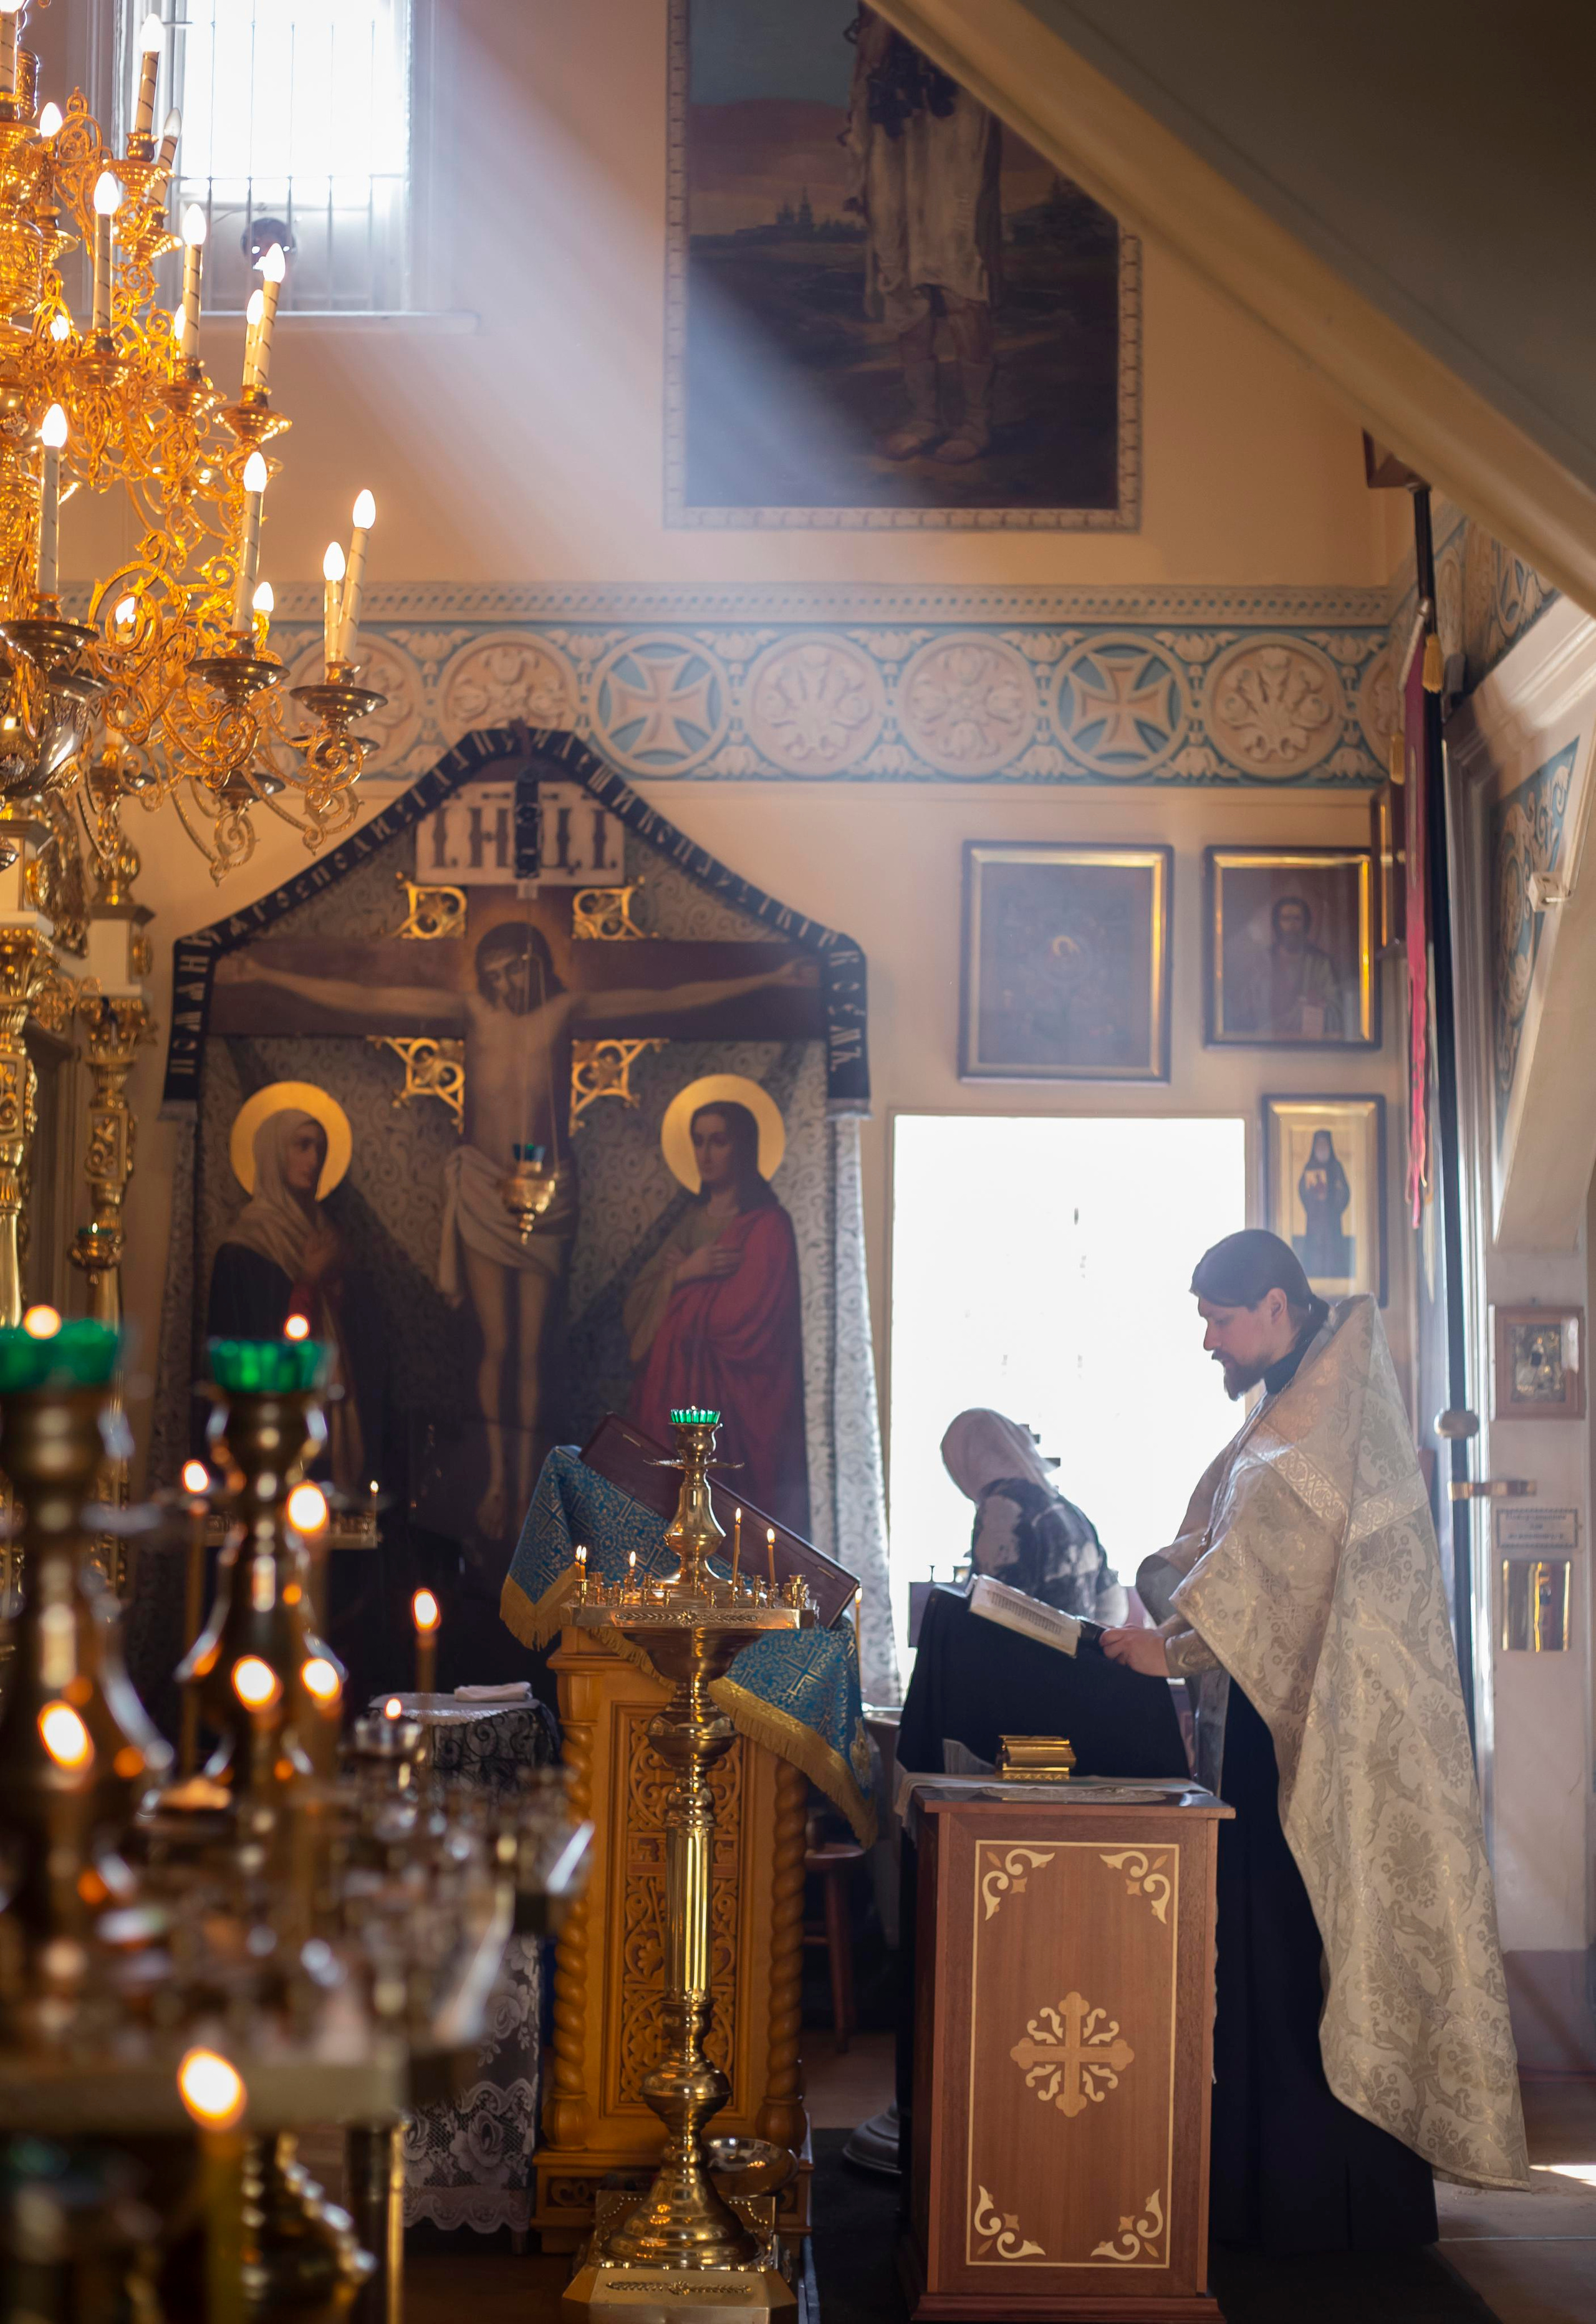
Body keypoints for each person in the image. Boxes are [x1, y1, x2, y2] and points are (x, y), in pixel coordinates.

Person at [1102, 1229, 1527, 2253]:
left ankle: (1324, 2207)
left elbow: (1285, 1583)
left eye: (1221, 1317)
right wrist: (1176, 1623)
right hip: (1273, 1719)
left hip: (1326, 1734)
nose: (1209, 1339)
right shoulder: (1297, 1410)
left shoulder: (1326, 1416)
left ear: (1280, 1307)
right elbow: (1242, 1557)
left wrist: (1177, 1650)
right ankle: (1268, 2189)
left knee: (1304, 1944)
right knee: (1266, 1948)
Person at [233, 930, 812, 1540]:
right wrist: (269, 976)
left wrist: (768, 979)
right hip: (485, 1184)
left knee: (535, 1346)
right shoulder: (471, 1012)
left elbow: (663, 997)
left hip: (548, 1186)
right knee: (498, 1344)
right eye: (496, 972)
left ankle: (534, 1485)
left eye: (518, 970)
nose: (508, 983)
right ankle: (496, 1485)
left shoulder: (563, 1011)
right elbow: (367, 997)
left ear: (539, 966)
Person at [625, 1098, 809, 1534]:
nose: (706, 1154)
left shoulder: (768, 1226)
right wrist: (686, 1273)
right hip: (681, 1407)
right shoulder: (689, 1224)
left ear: (742, 1148)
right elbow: (637, 1311)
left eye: (719, 1141)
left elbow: (744, 1325)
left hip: (741, 1418)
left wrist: (684, 1283)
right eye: (699, 1141)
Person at [844, 6, 1001, 463]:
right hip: (891, 132)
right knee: (902, 273)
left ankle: (976, 423)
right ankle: (925, 419)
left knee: (958, 268)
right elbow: (865, 70)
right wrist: (858, 173)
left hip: (954, 125)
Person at [939, 1408, 1127, 1621]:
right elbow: (1113, 1605)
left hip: (1026, 1652)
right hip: (1072, 1650)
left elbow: (988, 1610)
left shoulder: (1001, 1507)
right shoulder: (1068, 1510)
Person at [1233, 893, 1344, 1038]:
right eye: (1285, 919)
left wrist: (1319, 1005)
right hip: (1267, 1040)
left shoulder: (1321, 963)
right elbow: (1242, 1008)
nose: (1291, 926)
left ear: (1306, 923)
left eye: (1297, 919)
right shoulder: (1262, 961)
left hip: (1308, 1043)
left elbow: (1338, 1012)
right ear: (1276, 924)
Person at [1296, 1126, 1352, 1278]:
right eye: (1319, 1145)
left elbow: (1345, 1192)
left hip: (1332, 1218)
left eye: (1324, 1145)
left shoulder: (1336, 1167)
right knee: (1315, 1251)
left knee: (1332, 1250)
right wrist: (1313, 1199)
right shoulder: (1310, 1167)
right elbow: (1302, 1190)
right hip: (1315, 1219)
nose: (1321, 1148)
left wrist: (1333, 1198)